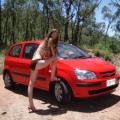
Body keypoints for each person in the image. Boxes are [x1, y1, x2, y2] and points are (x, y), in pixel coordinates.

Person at [28, 29, 59, 112]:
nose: (55, 35)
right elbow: (53, 55)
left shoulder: (45, 40)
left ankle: (31, 105)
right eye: (54, 33)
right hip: (37, 62)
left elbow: (46, 55)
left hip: (33, 62)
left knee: (31, 84)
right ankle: (52, 77)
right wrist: (53, 53)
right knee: (55, 58)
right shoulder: (50, 40)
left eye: (56, 34)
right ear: (51, 34)